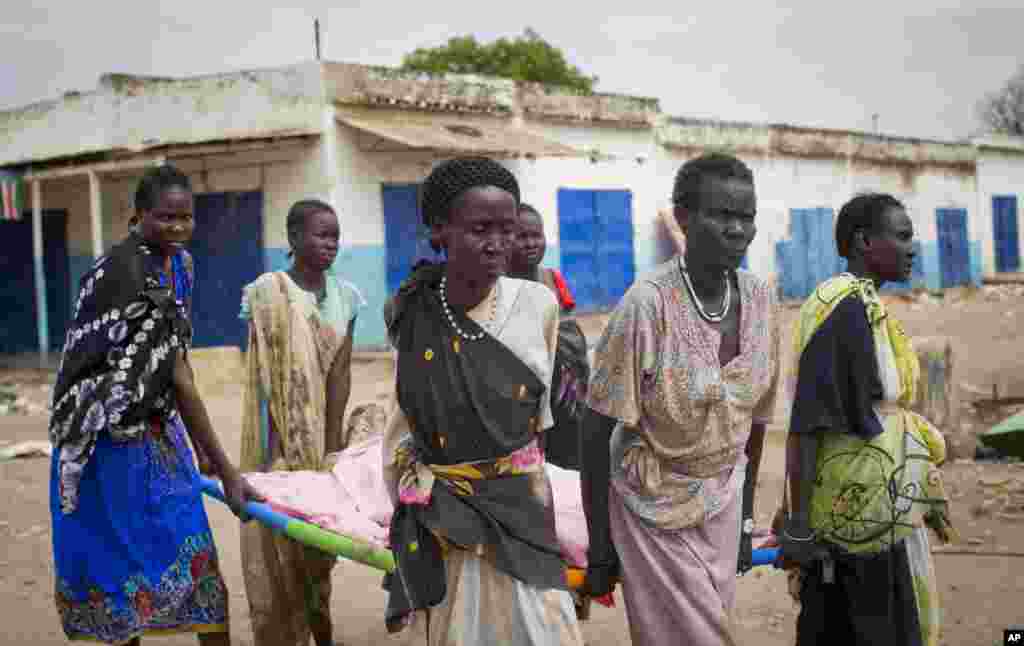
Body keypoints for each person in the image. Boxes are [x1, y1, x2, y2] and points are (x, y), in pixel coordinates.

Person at [48, 163, 260, 646]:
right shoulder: (126, 274)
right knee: (119, 585)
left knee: (201, 576)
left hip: (158, 435)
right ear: (138, 215)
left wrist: (201, 450)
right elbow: (179, 376)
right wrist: (228, 470)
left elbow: (173, 358)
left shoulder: (180, 266)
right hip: (102, 448)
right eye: (166, 217)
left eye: (186, 217)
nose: (178, 227)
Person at [380, 157, 584, 645]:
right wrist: (414, 499)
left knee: (545, 628)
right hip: (446, 512)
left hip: (522, 506)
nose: (497, 243)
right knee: (461, 627)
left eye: (506, 229)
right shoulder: (413, 312)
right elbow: (404, 422)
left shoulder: (538, 305)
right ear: (439, 231)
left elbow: (541, 423)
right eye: (479, 229)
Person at [581, 153, 780, 646]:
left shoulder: (761, 301)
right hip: (652, 508)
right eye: (722, 215)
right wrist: (601, 546)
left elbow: (755, 422)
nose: (738, 229)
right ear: (684, 218)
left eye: (747, 217)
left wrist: (746, 520)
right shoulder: (647, 305)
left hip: (724, 505)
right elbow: (595, 431)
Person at [778, 193, 955, 646]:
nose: (913, 248)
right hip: (854, 522)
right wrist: (799, 526)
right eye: (902, 236)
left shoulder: (863, 304)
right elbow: (808, 423)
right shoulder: (845, 308)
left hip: (877, 509)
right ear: (863, 241)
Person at [238, 199, 365, 646]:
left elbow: (339, 376)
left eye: (335, 236)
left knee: (319, 550)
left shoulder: (346, 297)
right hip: (275, 444)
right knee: (280, 547)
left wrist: (331, 446)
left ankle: (322, 633)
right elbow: (264, 378)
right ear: (293, 238)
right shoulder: (267, 293)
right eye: (321, 234)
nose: (331, 244)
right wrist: (276, 451)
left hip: (318, 443)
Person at [508, 203, 589, 470]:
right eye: (522, 237)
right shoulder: (497, 287)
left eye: (537, 235)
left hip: (561, 391)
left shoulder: (552, 279)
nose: (531, 243)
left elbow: (570, 334)